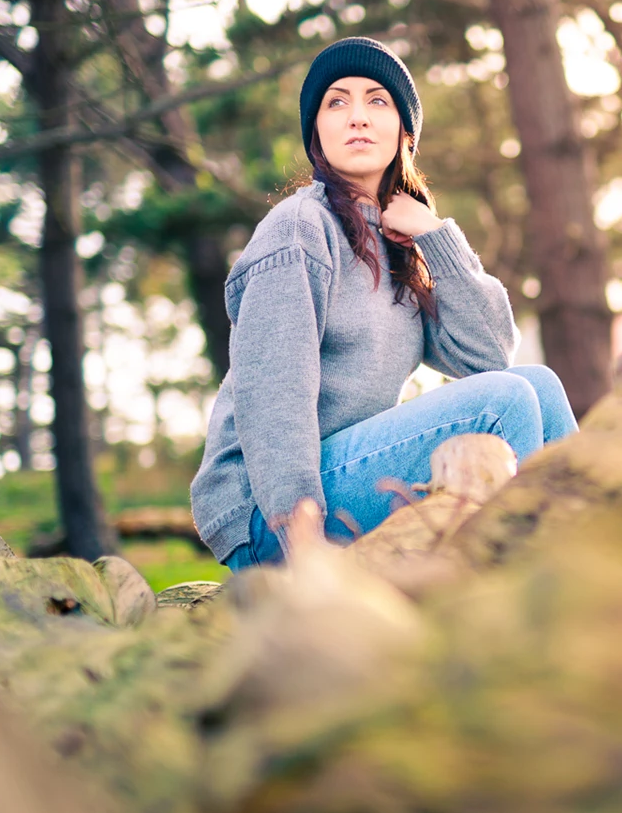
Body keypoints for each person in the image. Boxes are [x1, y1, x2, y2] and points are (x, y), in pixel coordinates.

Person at [190, 37, 577, 570]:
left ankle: (589, 562)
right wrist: (297, 536)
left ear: (404, 132)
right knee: (504, 402)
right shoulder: (299, 230)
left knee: (539, 387)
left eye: (377, 101)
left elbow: (487, 357)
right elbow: (272, 394)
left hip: (344, 472)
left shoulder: (400, 243)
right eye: (337, 102)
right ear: (317, 133)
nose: (357, 118)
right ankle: (535, 591)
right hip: (268, 508)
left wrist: (436, 237)